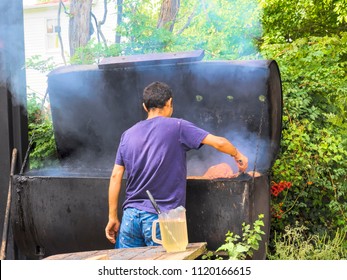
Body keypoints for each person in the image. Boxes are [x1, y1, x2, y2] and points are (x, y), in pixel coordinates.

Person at [105, 81, 248, 248]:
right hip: (160, 218)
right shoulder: (178, 126)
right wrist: (238, 155)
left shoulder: (127, 135)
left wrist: (112, 217)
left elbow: (115, 176)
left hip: (130, 218)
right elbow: (220, 143)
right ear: (169, 103)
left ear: (145, 106)